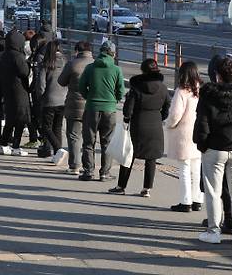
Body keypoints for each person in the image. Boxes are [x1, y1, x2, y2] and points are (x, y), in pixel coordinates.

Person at [194, 57, 232, 245]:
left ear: (218, 76)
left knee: (213, 191)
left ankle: (214, 231)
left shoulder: (208, 96)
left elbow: (202, 123)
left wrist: (201, 144)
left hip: (214, 148)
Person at [108, 59, 170, 196]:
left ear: (143, 70)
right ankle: (147, 189)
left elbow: (128, 109)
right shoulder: (163, 88)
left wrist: (126, 119)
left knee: (129, 154)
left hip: (138, 123)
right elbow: (167, 108)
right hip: (155, 124)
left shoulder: (137, 87)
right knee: (151, 158)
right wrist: (160, 117)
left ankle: (121, 186)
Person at [78, 41, 126, 182]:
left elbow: (81, 87)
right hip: (109, 110)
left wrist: (89, 97)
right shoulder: (117, 70)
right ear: (113, 53)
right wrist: (114, 100)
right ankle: (104, 173)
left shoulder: (90, 68)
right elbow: (121, 91)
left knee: (88, 141)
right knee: (107, 142)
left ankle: (88, 171)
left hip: (92, 108)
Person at [164, 61, 204, 212]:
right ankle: (197, 199)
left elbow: (175, 115)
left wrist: (168, 124)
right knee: (196, 169)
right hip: (197, 133)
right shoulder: (199, 91)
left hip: (183, 135)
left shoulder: (181, 91)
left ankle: (185, 201)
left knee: (184, 169)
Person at [58, 41, 92, 175]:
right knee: (89, 137)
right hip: (91, 105)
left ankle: (74, 165)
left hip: (74, 105)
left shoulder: (72, 64)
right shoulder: (95, 64)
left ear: (77, 51)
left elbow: (61, 81)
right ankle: (89, 166)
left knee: (74, 135)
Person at [0, 30, 31, 157]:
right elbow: (24, 72)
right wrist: (28, 64)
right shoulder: (18, 56)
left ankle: (4, 143)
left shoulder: (4, 55)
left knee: (10, 119)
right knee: (21, 118)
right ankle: (16, 146)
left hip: (7, 89)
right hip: (19, 90)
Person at [37, 39, 68, 165]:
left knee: (46, 127)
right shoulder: (65, 62)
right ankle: (57, 154)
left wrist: (41, 97)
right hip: (63, 99)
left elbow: (41, 84)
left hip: (49, 99)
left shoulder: (46, 64)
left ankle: (58, 149)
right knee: (57, 127)